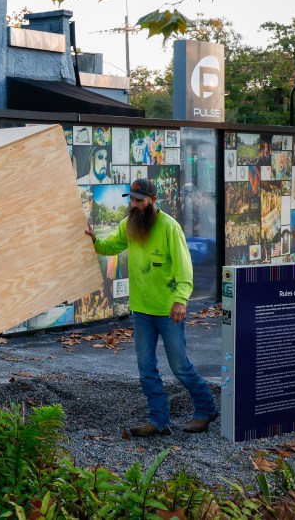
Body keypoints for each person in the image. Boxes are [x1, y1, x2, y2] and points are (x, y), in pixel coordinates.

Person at [83, 177, 218, 436]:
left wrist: (181, 300)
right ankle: (158, 420)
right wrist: (94, 240)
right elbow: (112, 245)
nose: (134, 205)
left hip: (168, 310)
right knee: (146, 368)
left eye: (139, 200)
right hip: (142, 310)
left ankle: (205, 408)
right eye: (131, 199)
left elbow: (184, 266)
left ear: (154, 201)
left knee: (179, 366)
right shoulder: (129, 225)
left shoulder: (170, 227)